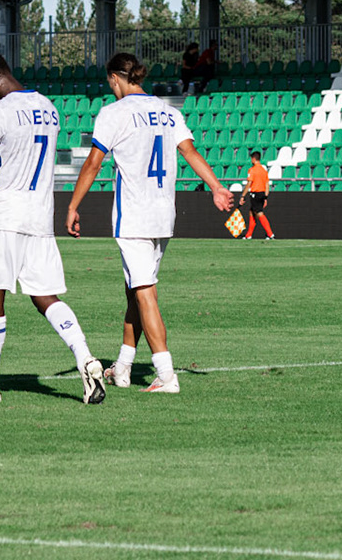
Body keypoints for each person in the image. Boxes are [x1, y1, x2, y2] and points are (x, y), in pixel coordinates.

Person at [65, 51, 232, 393]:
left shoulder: (114, 113)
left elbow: (94, 163)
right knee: (136, 291)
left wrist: (72, 205)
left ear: (116, 78)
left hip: (135, 215)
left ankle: (166, 375)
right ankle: (124, 367)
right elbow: (190, 152)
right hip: (163, 215)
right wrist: (216, 187)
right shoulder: (169, 112)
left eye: (109, 82)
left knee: (145, 293)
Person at [0, 52, 107, 405]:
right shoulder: (49, 107)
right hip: (40, 215)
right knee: (45, 296)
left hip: (3, 215)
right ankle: (85, 357)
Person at [242, 150, 275, 239]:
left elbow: (249, 183)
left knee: (259, 213)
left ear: (253, 159)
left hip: (255, 194)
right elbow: (267, 185)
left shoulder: (252, 170)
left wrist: (243, 195)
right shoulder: (264, 171)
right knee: (252, 212)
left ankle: (270, 233)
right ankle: (249, 235)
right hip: (262, 194)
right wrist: (265, 197)